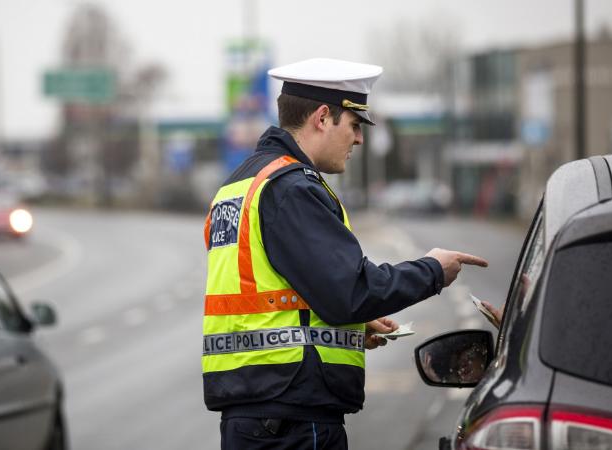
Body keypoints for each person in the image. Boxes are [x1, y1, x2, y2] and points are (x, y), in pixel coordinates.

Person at [202, 58, 489, 450]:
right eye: (354, 126)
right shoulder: (292, 189)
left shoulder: (240, 184)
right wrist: (433, 270)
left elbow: (274, 290)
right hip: (292, 421)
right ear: (322, 117)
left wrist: (350, 326)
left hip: (256, 413)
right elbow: (349, 291)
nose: (359, 140)